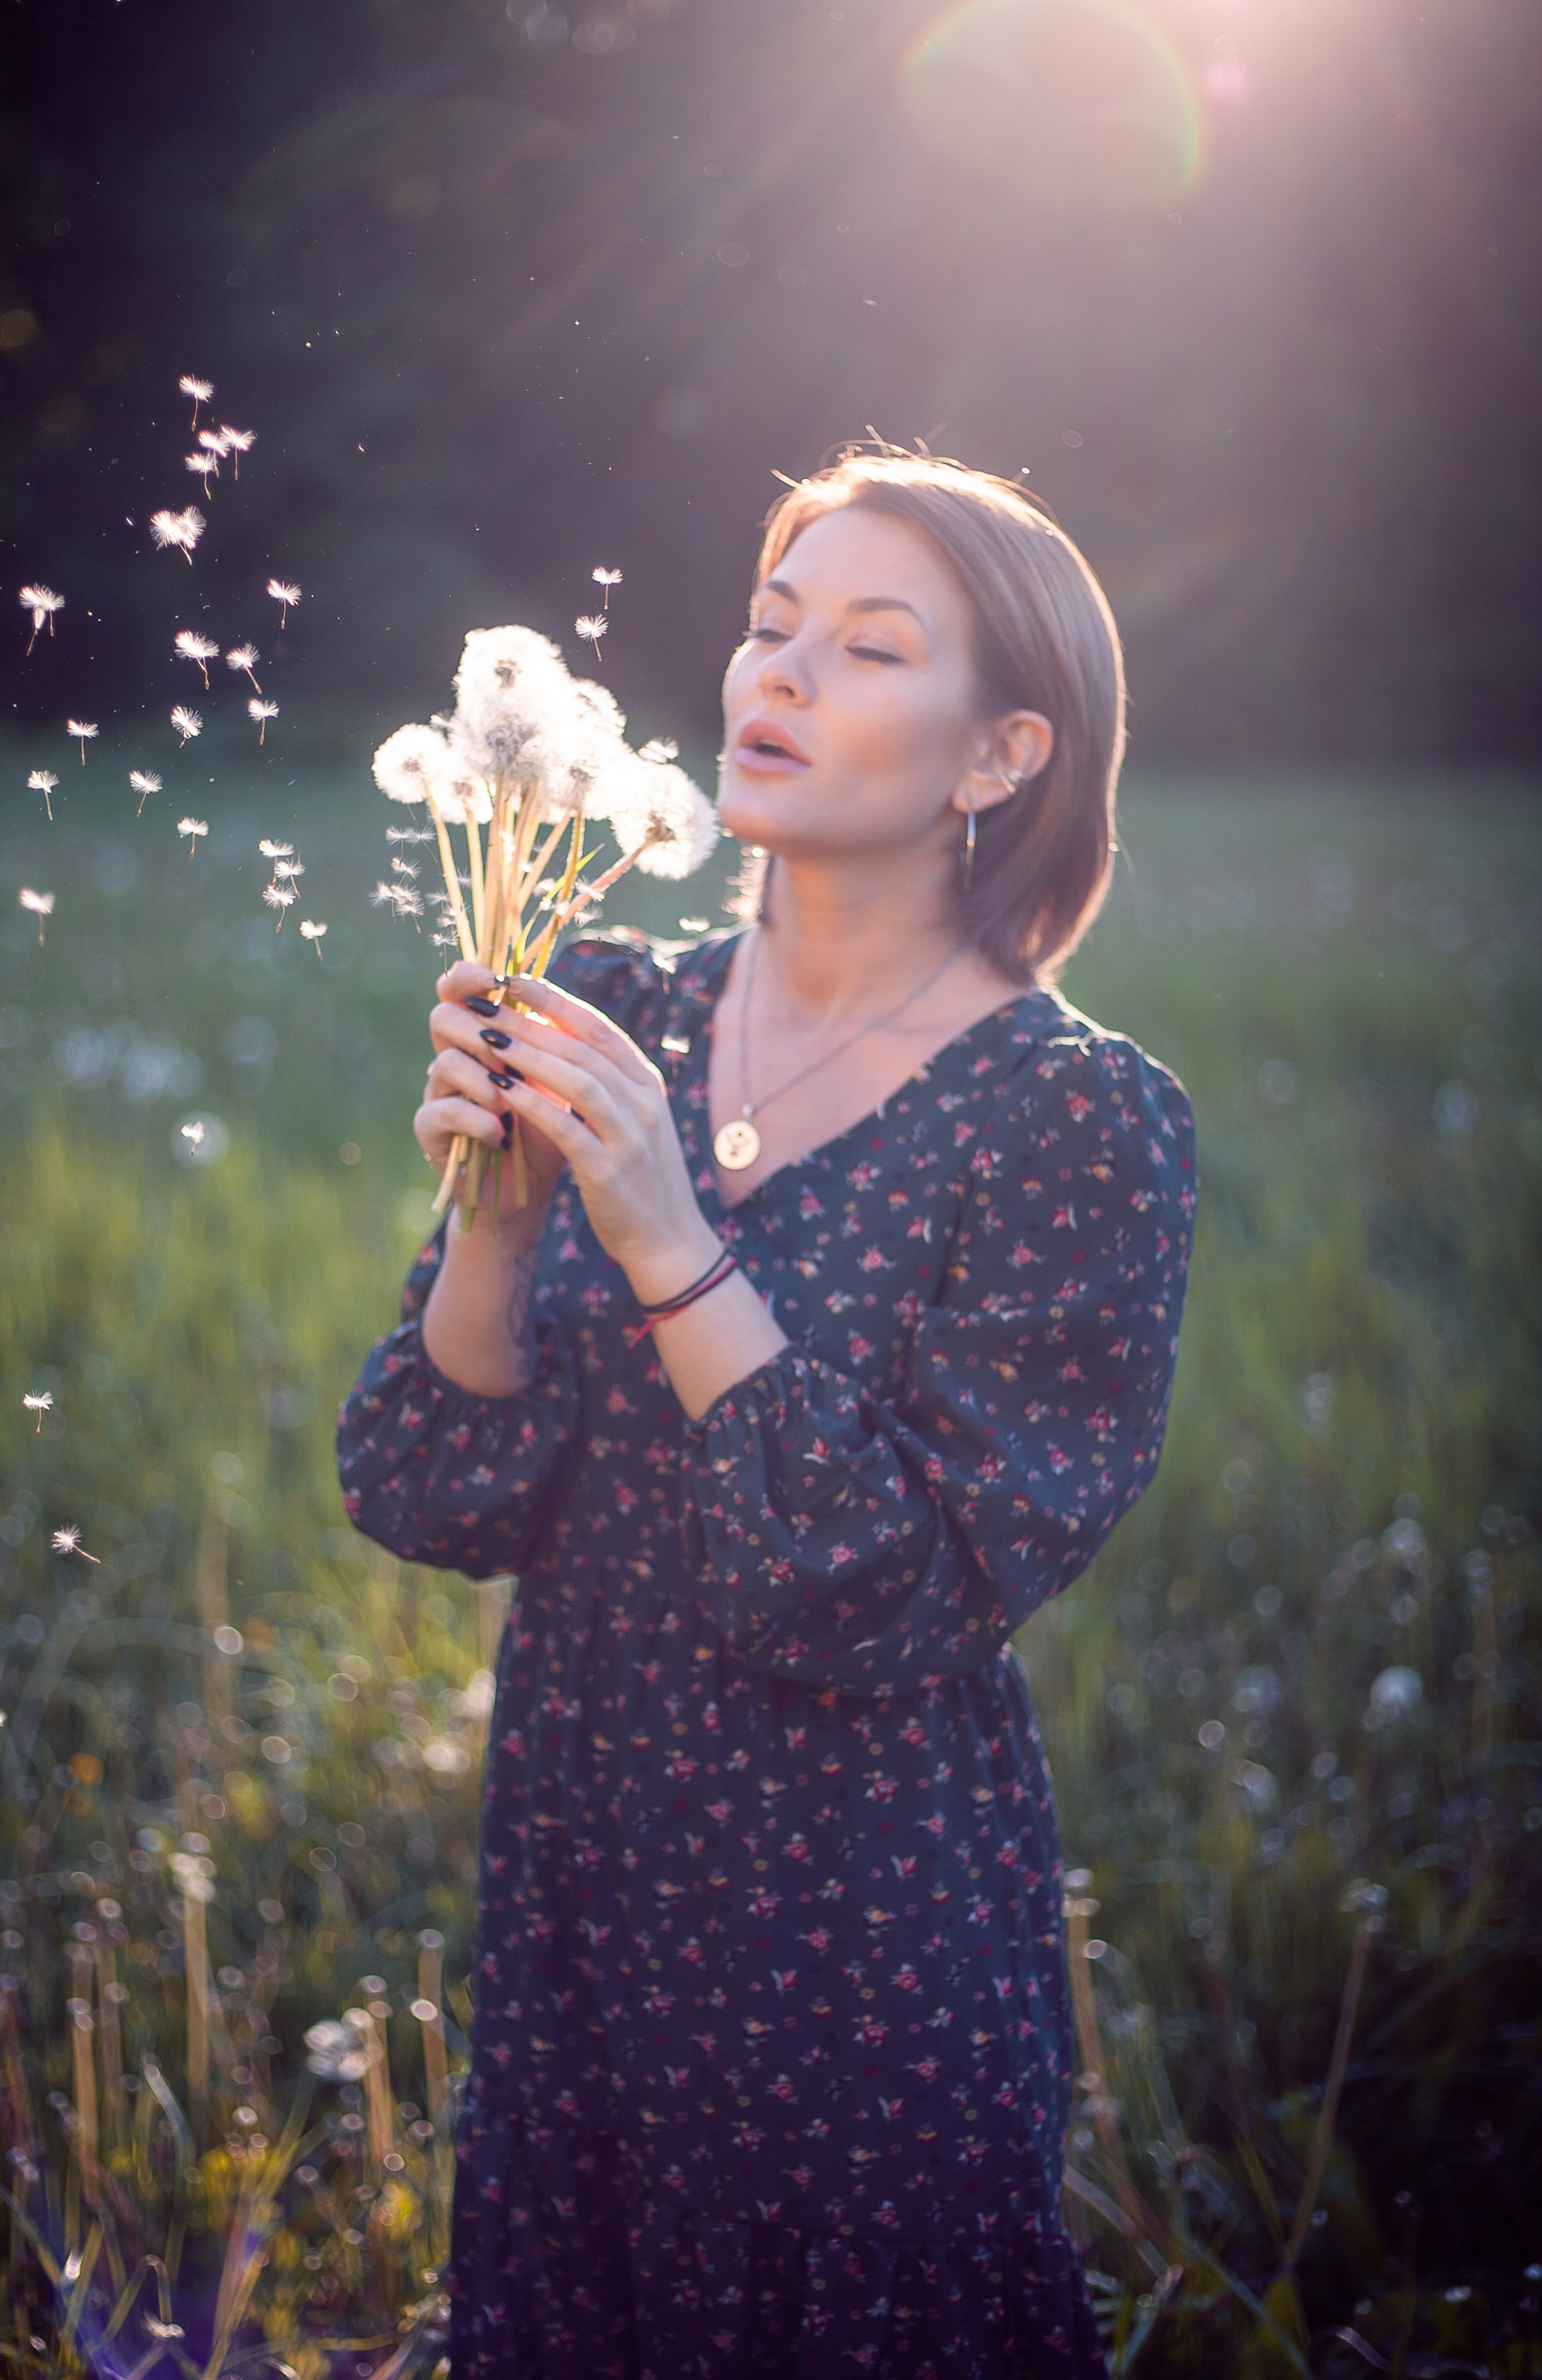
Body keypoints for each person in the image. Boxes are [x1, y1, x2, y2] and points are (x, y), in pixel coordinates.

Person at [337, 448, 1198, 2377]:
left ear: (1002, 758)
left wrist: (663, 1232)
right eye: (768, 627)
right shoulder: (617, 996)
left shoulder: (1069, 1118)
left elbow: (898, 1587)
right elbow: (429, 1484)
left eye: (869, 648)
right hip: (585, 1868)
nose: (777, 679)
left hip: (856, 1931)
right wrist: (491, 1215)